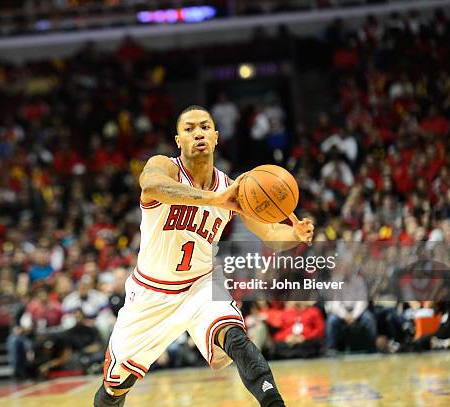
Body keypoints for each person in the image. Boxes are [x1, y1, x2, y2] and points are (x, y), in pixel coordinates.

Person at [93, 106, 314, 407]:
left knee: (235, 338)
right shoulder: (165, 167)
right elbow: (152, 185)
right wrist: (214, 200)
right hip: (150, 292)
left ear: (216, 137)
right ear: (178, 140)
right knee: (115, 386)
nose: (198, 132)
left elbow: (273, 237)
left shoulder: (235, 189)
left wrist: (296, 235)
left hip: (201, 284)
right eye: (189, 128)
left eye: (205, 127)